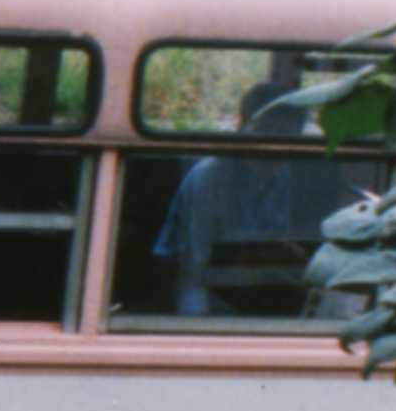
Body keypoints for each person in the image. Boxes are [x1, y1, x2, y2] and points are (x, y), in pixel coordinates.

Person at [154, 82, 364, 317]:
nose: (273, 144)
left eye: (285, 135)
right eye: (264, 130)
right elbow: (192, 275)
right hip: (214, 291)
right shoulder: (210, 178)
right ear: (242, 128)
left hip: (278, 289)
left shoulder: (306, 177)